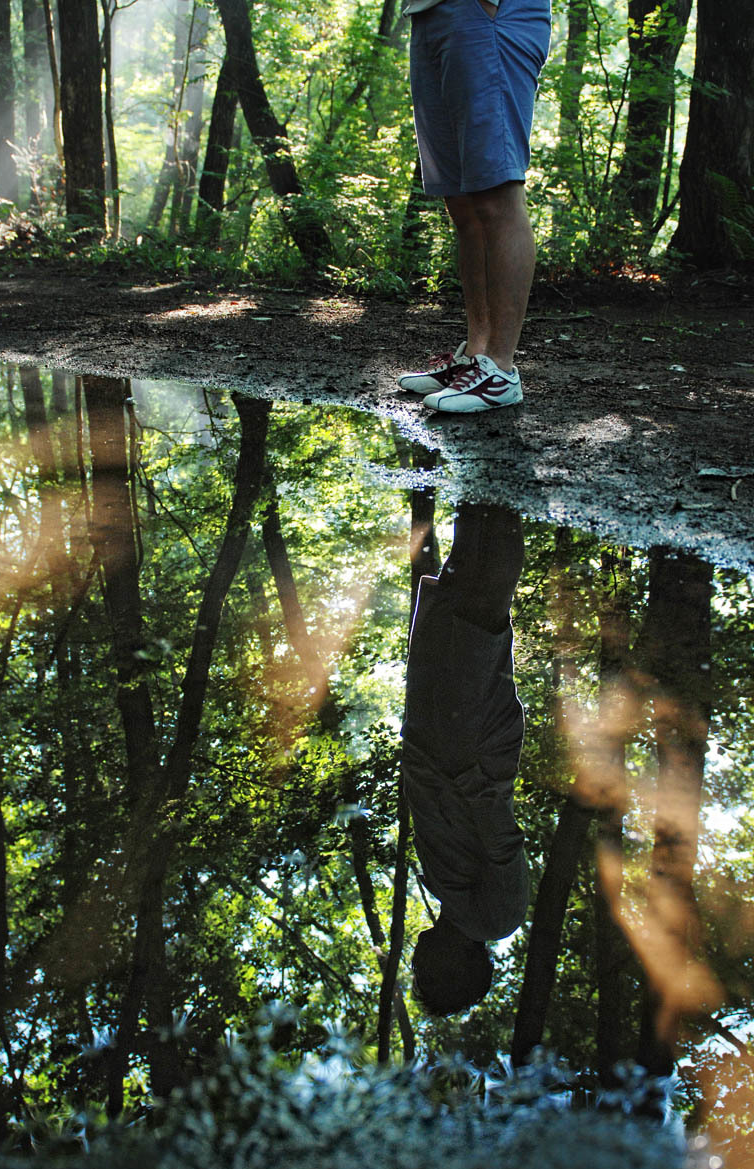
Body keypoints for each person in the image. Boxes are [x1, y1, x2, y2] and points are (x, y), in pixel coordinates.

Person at [402, 503, 527, 1015]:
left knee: (456, 608)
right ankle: (502, 504)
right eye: (425, 972)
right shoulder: (495, 920)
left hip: (443, 741)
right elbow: (501, 839)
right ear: (453, 970)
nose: (415, 960)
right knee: (479, 616)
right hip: (467, 746)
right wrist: (467, 773)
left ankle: (482, 500)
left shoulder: (453, 906)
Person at [397, 0, 551, 414]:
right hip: (431, 14)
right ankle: (476, 358)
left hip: (488, 12)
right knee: (462, 202)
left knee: (497, 192)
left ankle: (500, 368)